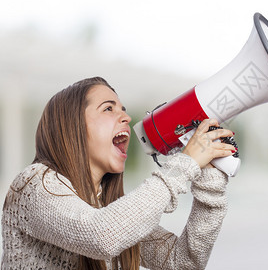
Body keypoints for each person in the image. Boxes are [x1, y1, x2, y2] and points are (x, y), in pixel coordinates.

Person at [1, 77, 236, 270]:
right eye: (108, 108)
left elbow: (183, 263)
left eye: (123, 109)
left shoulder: (106, 206)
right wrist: (186, 164)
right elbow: (101, 236)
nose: (126, 117)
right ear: (72, 126)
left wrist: (210, 182)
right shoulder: (33, 183)